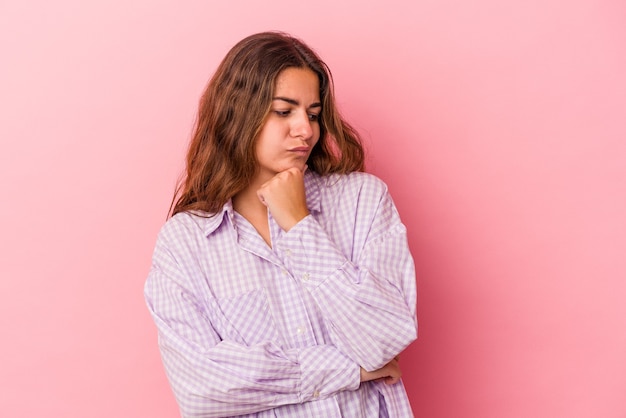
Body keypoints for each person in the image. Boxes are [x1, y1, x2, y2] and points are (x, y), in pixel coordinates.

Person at [144, 31, 417, 418]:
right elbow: (201, 388)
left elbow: (385, 339)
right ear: (237, 112)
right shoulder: (185, 243)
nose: (305, 129)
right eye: (284, 111)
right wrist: (349, 370)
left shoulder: (361, 202)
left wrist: (299, 224)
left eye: (313, 114)